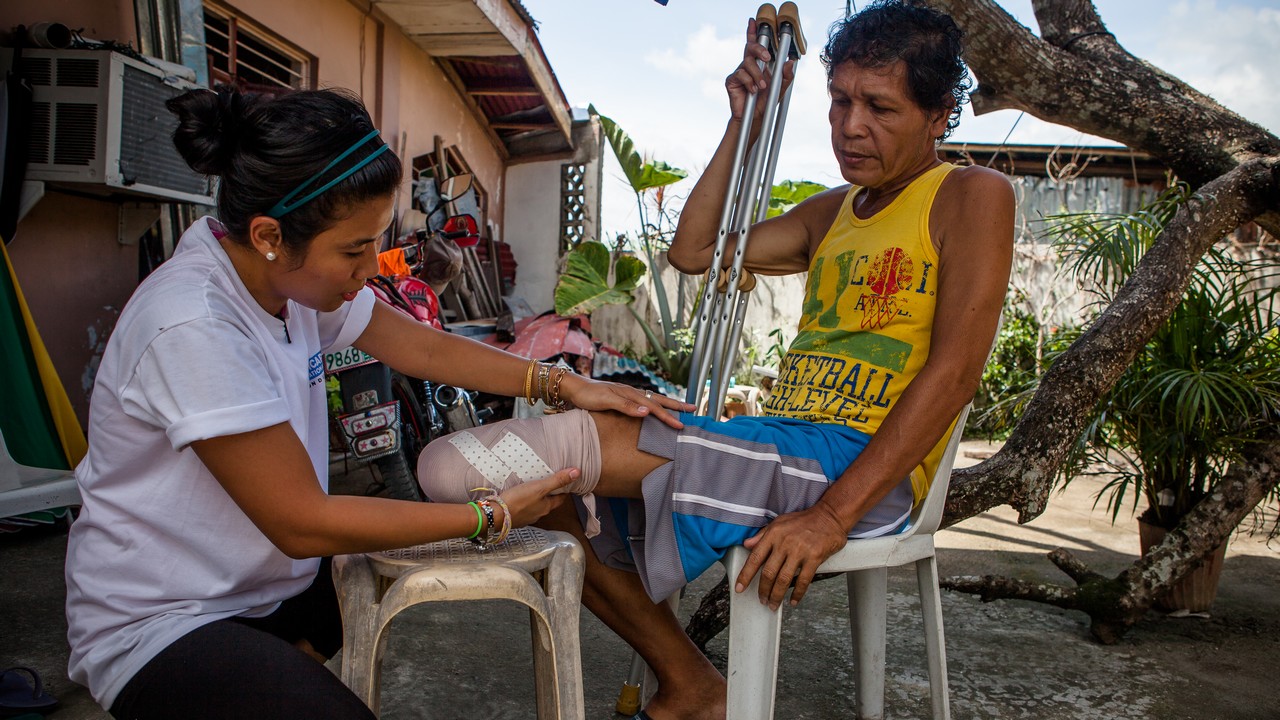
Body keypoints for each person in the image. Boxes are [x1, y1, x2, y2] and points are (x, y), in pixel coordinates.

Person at [416, 2, 1014, 719]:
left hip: (859, 465)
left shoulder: (969, 197)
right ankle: (694, 686)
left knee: (511, 460)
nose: (851, 127)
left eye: (880, 108)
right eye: (840, 101)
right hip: (786, 443)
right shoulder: (834, 212)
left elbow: (954, 374)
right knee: (555, 501)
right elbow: (693, 251)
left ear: (940, 112)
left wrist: (830, 516)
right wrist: (746, 120)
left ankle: (697, 684)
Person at [62, 87, 688, 720]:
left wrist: (562, 384)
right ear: (270, 235)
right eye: (354, 249)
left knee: (482, 518)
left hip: (265, 587)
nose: (370, 268)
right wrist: (487, 515)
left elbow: (426, 350)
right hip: (164, 621)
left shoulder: (288, 285)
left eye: (376, 242)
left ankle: (286, 655)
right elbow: (302, 522)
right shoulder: (193, 325)